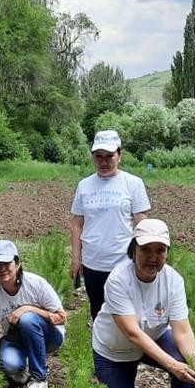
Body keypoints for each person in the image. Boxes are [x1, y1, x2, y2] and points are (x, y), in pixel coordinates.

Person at [92, 219, 195, 388]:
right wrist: (172, 365)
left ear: (167, 253)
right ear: (133, 250)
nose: (153, 257)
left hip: (154, 337)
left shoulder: (173, 281)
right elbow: (133, 333)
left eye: (160, 250)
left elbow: (183, 331)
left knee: (187, 368)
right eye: (146, 250)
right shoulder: (118, 280)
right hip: (114, 351)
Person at [70, 129, 151, 323]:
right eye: (99, 156)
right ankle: (102, 349)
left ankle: (128, 349)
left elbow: (142, 222)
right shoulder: (84, 185)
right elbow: (77, 225)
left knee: (127, 311)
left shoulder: (133, 183)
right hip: (92, 262)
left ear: (119, 156)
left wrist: (143, 255)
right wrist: (76, 258)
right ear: (93, 157)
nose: (104, 162)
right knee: (98, 311)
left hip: (123, 261)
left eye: (109, 156)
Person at [0, 239, 67, 388]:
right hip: (15, 338)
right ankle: (25, 364)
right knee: (10, 367)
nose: (2, 269)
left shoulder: (35, 284)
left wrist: (28, 308)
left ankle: (40, 379)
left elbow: (61, 317)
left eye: (7, 263)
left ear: (17, 264)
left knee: (27, 320)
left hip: (49, 336)